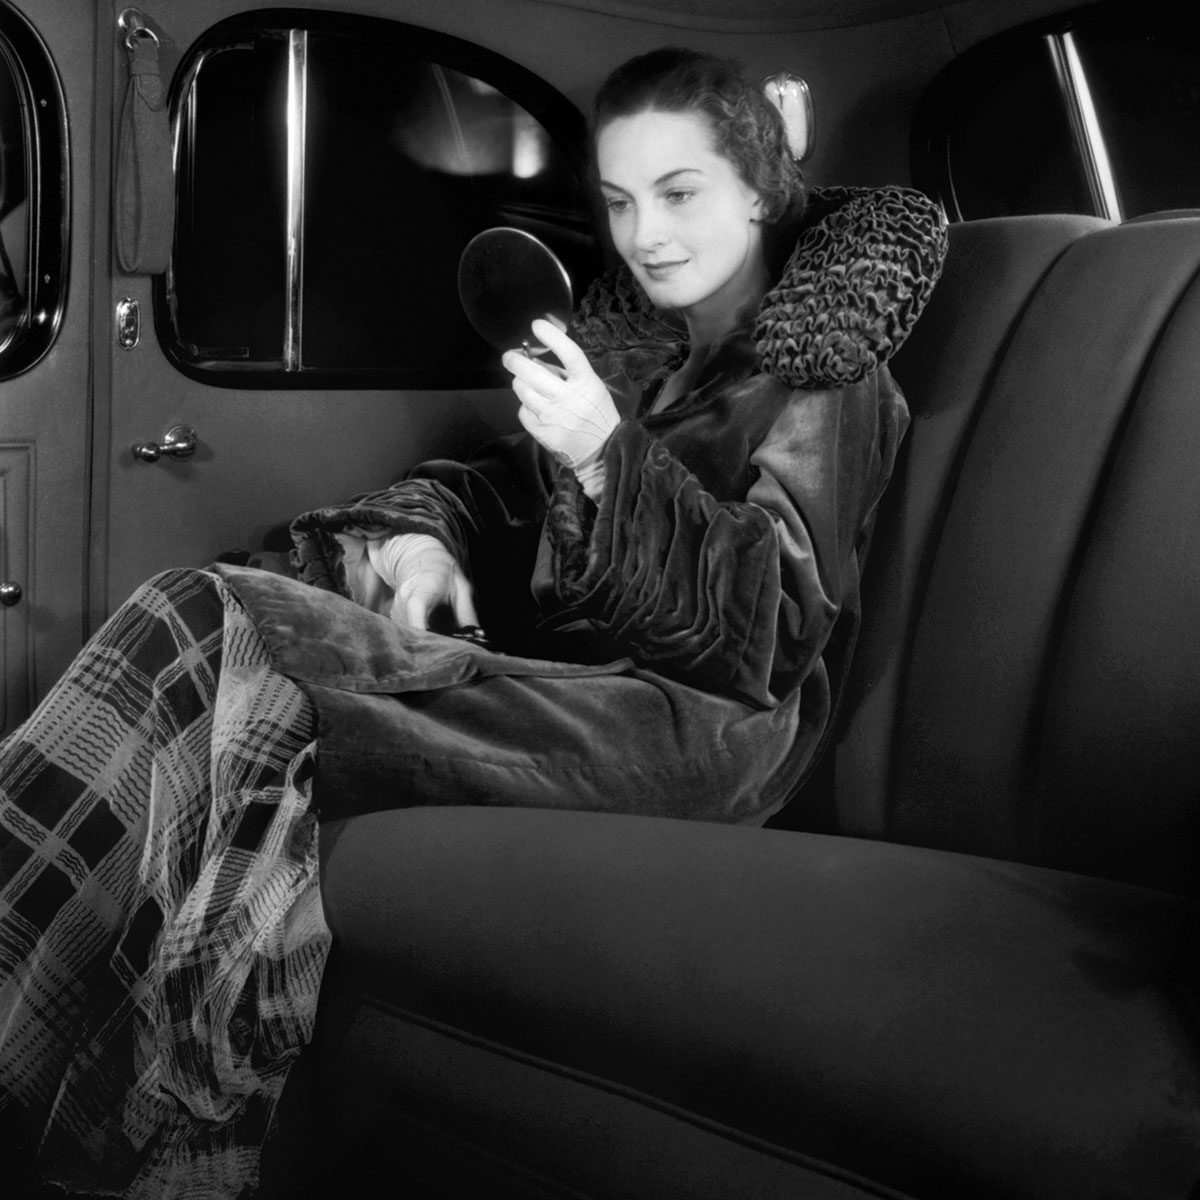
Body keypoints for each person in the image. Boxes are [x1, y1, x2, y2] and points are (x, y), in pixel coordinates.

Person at [0, 46, 946, 1200]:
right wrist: (418, 538)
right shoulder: (642, 352)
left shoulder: (826, 377)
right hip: (581, 684)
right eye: (617, 200)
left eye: (680, 192)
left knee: (217, 628)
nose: (645, 233)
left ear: (758, 188)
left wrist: (609, 456)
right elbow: (494, 480)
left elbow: (770, 634)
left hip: (701, 732)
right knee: (204, 634)